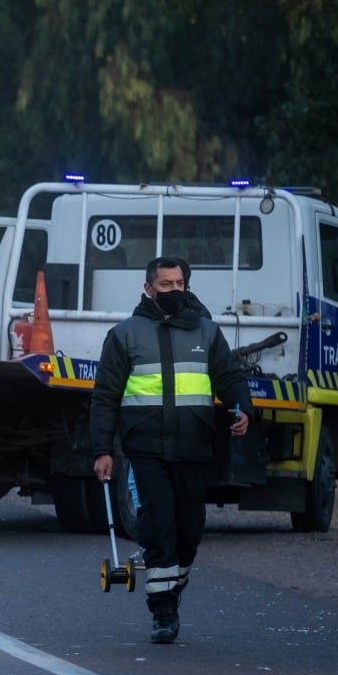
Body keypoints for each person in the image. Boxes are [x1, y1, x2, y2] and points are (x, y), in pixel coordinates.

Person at [91, 255, 252, 643]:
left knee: (189, 531)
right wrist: (102, 450)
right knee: (158, 524)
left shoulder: (207, 332)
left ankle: (171, 590)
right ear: (148, 289)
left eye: (180, 284)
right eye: (166, 285)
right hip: (145, 449)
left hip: (193, 447)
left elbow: (228, 376)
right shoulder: (124, 335)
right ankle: (162, 611)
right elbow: (105, 397)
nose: (174, 292)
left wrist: (242, 407)